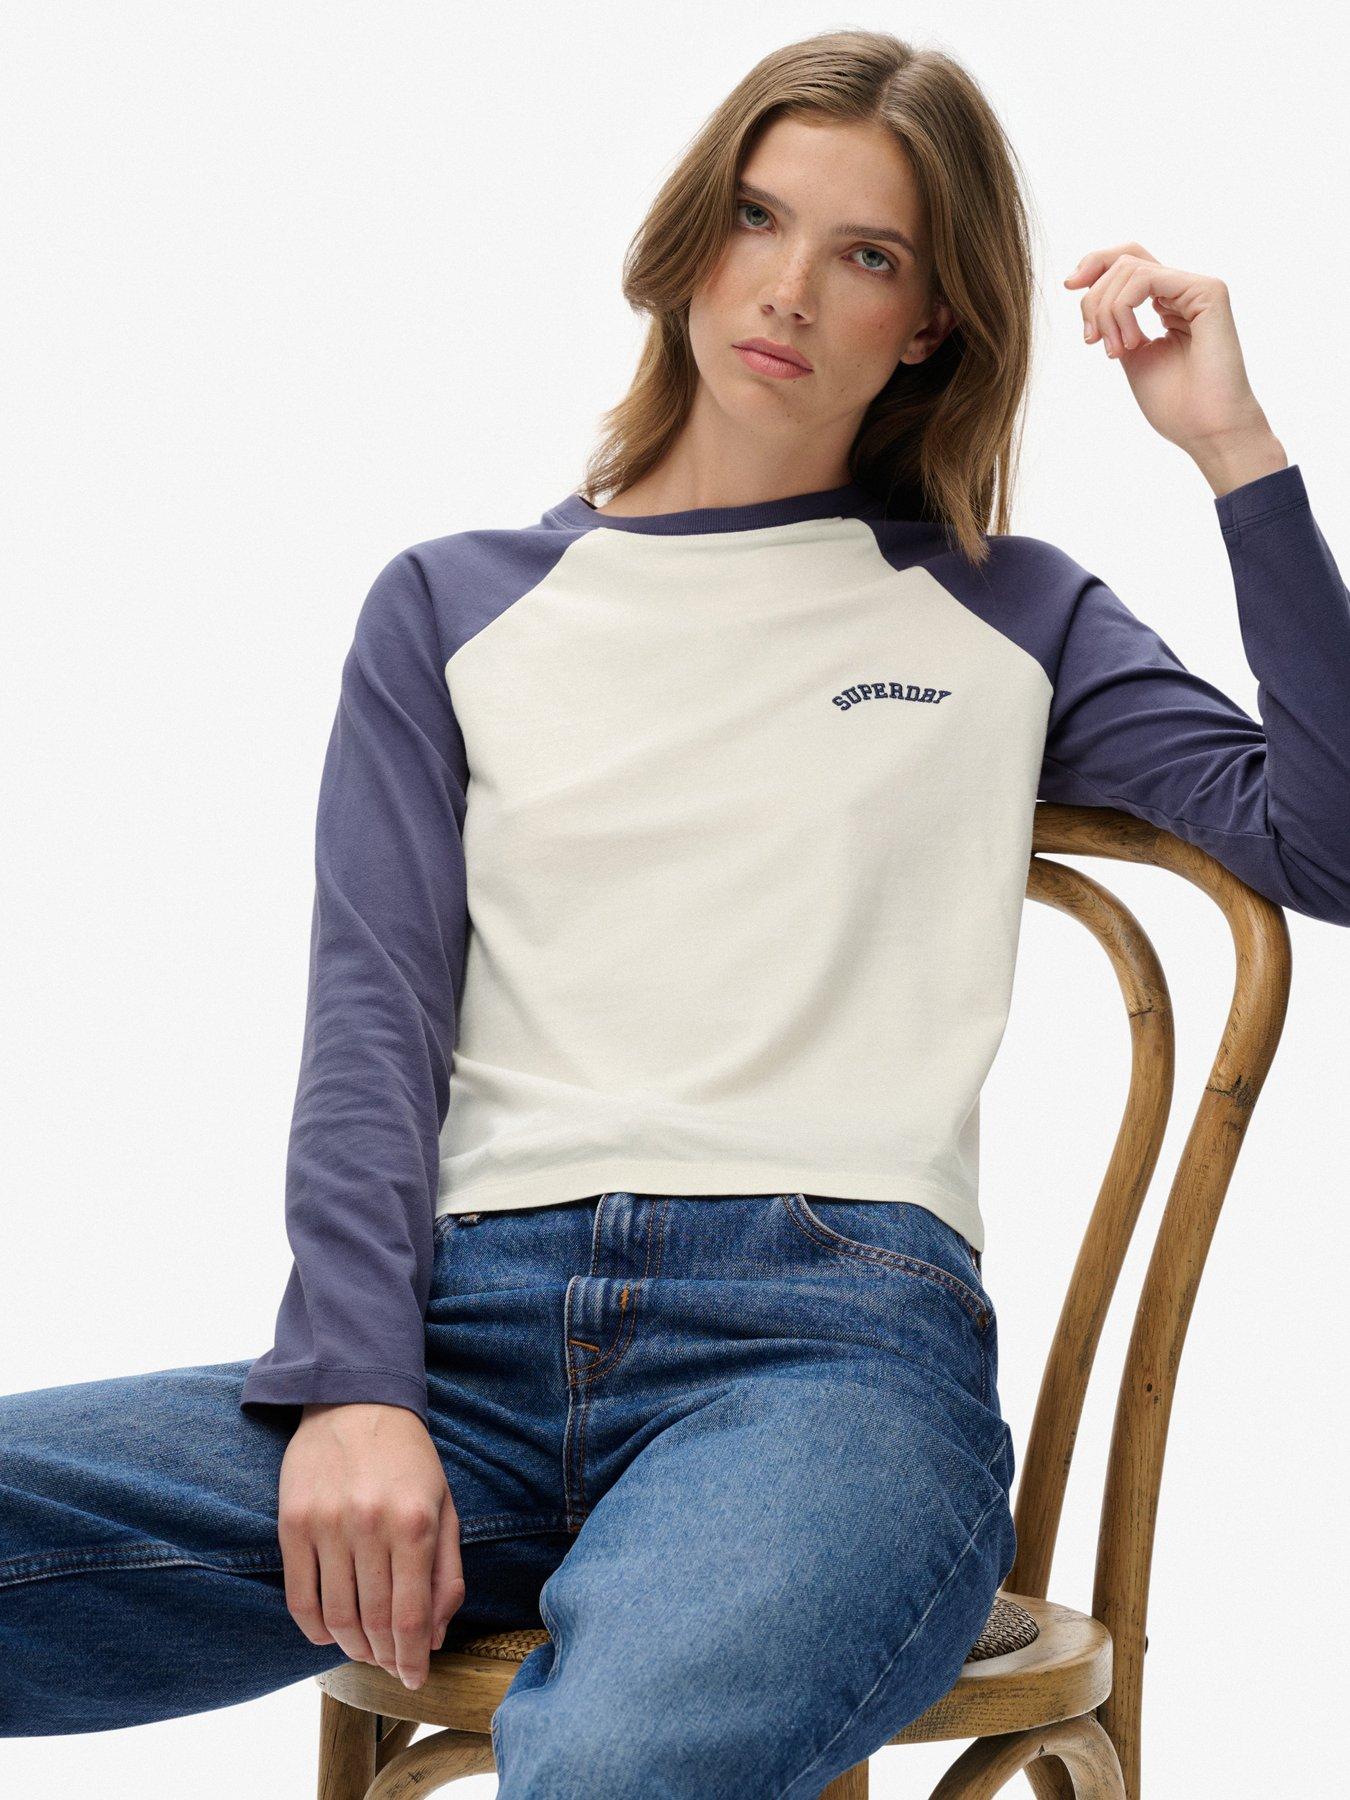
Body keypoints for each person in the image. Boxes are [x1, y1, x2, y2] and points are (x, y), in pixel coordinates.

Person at [3, 26, 1348, 1794]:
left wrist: (1234, 452)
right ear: (690, 235)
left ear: (929, 320)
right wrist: (353, 1383)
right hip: (456, 1345)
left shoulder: (1008, 612)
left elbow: (1330, 846)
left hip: (825, 1357)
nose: (786, 288)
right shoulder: (452, 607)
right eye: (757, 218)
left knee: (623, 1764)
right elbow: (373, 1027)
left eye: (866, 254)